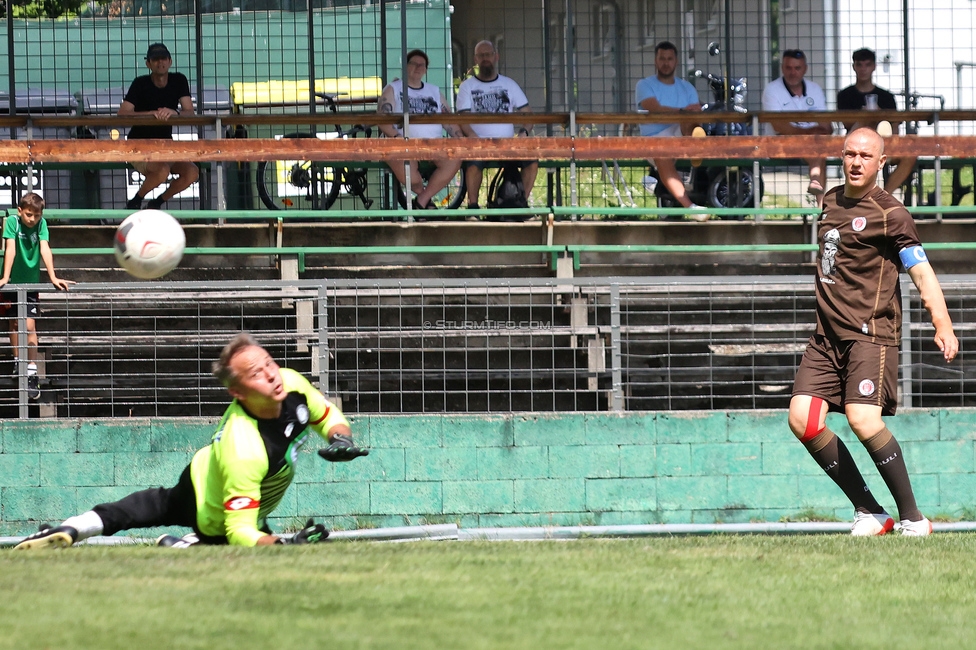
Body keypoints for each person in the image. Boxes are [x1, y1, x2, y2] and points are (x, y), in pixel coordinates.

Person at [15, 332, 369, 549]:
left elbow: (326, 415)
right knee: (222, 540)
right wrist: (282, 543)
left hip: (210, 471)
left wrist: (340, 438)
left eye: (268, 362)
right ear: (237, 392)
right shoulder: (244, 447)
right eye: (255, 373)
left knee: (152, 505)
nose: (270, 374)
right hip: (212, 507)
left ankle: (75, 527)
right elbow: (240, 530)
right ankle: (189, 543)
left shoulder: (291, 382)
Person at [787, 127, 958, 537]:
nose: (856, 161)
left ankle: (914, 519)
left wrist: (942, 321)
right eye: (849, 153)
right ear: (842, 157)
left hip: (870, 334)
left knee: (864, 420)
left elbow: (920, 269)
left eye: (866, 155)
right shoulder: (830, 200)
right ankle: (870, 512)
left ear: (881, 163)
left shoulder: (891, 214)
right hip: (825, 337)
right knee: (802, 420)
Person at [0, 192, 74, 401]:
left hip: (30, 284)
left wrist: (52, 276)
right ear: (20, 211)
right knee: (14, 324)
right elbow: (11, 249)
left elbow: (44, 248)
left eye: (36, 215)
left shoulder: (41, 225)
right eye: (29, 214)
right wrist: (6, 276)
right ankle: (18, 363)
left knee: (30, 325)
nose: (32, 219)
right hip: (12, 282)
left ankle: (31, 371)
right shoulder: (12, 223)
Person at [456, 40, 538, 210]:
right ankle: (473, 206)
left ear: (496, 57)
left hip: (507, 143)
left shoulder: (509, 84)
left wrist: (523, 132)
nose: (485, 58)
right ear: (475, 59)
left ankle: (519, 202)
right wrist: (472, 137)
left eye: (488, 54)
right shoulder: (467, 87)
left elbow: (528, 113)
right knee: (473, 162)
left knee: (531, 161)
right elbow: (462, 118)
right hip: (478, 143)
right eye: (481, 55)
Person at [377, 49, 463, 210]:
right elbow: (382, 118)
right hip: (404, 145)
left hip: (434, 145)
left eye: (422, 65)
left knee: (455, 159)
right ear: (405, 66)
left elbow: (448, 120)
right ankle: (425, 201)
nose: (418, 67)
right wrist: (397, 137)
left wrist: (459, 137)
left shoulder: (434, 91)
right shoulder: (393, 89)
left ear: (426, 70)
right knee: (407, 170)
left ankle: (422, 200)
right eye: (413, 64)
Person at [119, 43, 199, 211]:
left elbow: (189, 112)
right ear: (148, 64)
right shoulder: (140, 83)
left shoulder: (179, 80)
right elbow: (123, 114)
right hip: (138, 146)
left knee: (192, 172)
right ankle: (136, 201)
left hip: (165, 145)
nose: (160, 62)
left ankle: (157, 203)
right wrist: (152, 114)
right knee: (162, 170)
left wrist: (173, 112)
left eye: (163, 58)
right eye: (155, 59)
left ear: (170, 61)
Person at [635, 40, 708, 220]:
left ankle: (694, 146)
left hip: (681, 133)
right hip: (654, 137)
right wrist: (683, 111)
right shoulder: (644, 85)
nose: (665, 63)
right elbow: (654, 108)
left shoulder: (687, 87)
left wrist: (687, 114)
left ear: (676, 61)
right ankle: (690, 206)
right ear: (655, 60)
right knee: (663, 150)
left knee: (690, 118)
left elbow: (695, 111)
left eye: (669, 59)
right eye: (662, 58)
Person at [836, 48, 917, 193]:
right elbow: (846, 125)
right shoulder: (845, 95)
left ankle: (884, 196)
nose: (863, 69)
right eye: (859, 65)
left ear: (874, 66)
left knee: (910, 153)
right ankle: (860, 200)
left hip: (885, 145)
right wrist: (864, 116)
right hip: (857, 147)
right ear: (854, 66)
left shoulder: (886, 96)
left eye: (867, 65)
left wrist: (881, 115)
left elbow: (895, 128)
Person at [761, 49, 834, 200]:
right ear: (782, 68)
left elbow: (827, 125)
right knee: (818, 145)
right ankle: (821, 206)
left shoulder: (815, 89)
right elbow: (779, 126)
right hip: (779, 143)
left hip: (813, 143)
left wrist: (808, 132)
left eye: (797, 68)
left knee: (819, 145)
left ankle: (817, 190)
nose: (793, 72)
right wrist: (810, 131)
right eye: (789, 68)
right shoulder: (772, 90)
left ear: (805, 69)